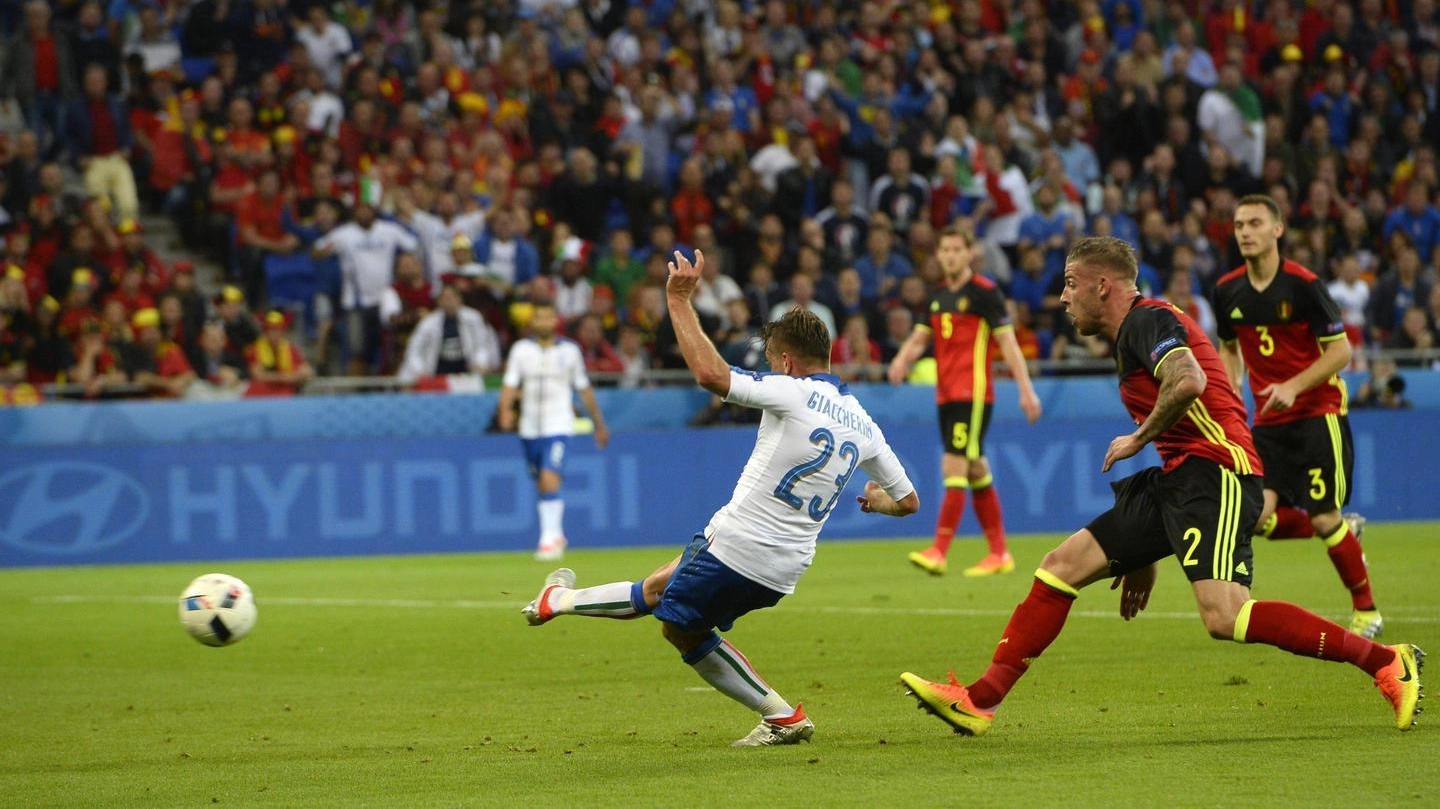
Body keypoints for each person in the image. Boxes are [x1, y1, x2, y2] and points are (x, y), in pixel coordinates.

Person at [898, 236, 1425, 738]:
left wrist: (1136, 437)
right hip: (1182, 476)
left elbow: (1189, 380)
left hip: (1218, 473)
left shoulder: (1146, 321)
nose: (1061, 298)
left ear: (1102, 285)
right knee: (1062, 566)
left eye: (1069, 283)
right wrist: (1139, 555)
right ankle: (981, 699)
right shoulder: (1135, 331)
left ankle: (1385, 661)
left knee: (1225, 614)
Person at [521, 249, 920, 746]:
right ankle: (556, 600)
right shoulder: (864, 422)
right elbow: (908, 502)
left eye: (773, 361)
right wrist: (879, 502)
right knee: (663, 584)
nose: (771, 368)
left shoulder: (791, 391)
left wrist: (679, 301)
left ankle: (780, 715)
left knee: (674, 621)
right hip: (786, 567)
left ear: (788, 362)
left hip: (741, 544)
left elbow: (712, 376)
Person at [1210, 194, 1385, 639]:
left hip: (1317, 413)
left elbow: (1341, 351)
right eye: (1238, 225)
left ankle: (1366, 611)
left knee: (1324, 516)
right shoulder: (1227, 290)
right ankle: (1346, 533)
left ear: (1277, 230)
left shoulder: (1303, 285)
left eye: (1254, 223)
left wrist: (1293, 386)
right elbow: (1229, 347)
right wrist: (1231, 387)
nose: (1245, 232)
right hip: (1268, 424)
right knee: (1256, 519)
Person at [887, 225, 1043, 576]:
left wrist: (1026, 389)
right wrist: (901, 360)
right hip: (945, 394)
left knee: (953, 465)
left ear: (969, 253)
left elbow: (1008, 344)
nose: (951, 256)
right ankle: (1000, 553)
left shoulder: (985, 293)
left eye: (957, 249)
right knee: (975, 469)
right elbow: (918, 339)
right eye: (945, 250)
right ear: (938, 255)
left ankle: (939, 550)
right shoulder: (937, 296)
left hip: (972, 394)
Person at [497, 301, 610, 561]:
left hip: (559, 424)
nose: (545, 322)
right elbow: (510, 383)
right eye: (540, 317)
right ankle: (555, 535)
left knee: (549, 476)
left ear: (555, 321)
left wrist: (599, 423)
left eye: (549, 317)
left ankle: (550, 538)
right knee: (541, 480)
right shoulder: (521, 350)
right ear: (533, 322)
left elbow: (583, 388)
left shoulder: (570, 351)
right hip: (529, 428)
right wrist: (505, 409)